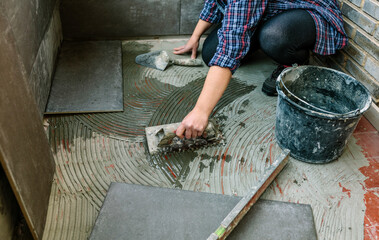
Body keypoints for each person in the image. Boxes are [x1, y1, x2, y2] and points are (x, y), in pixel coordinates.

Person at [173, 0, 348, 139]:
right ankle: (259, 30)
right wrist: (195, 37)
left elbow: (229, 51)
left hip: (306, 9)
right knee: (211, 53)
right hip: (268, 10)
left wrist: (201, 111)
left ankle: (295, 61)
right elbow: (214, 3)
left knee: (273, 37)